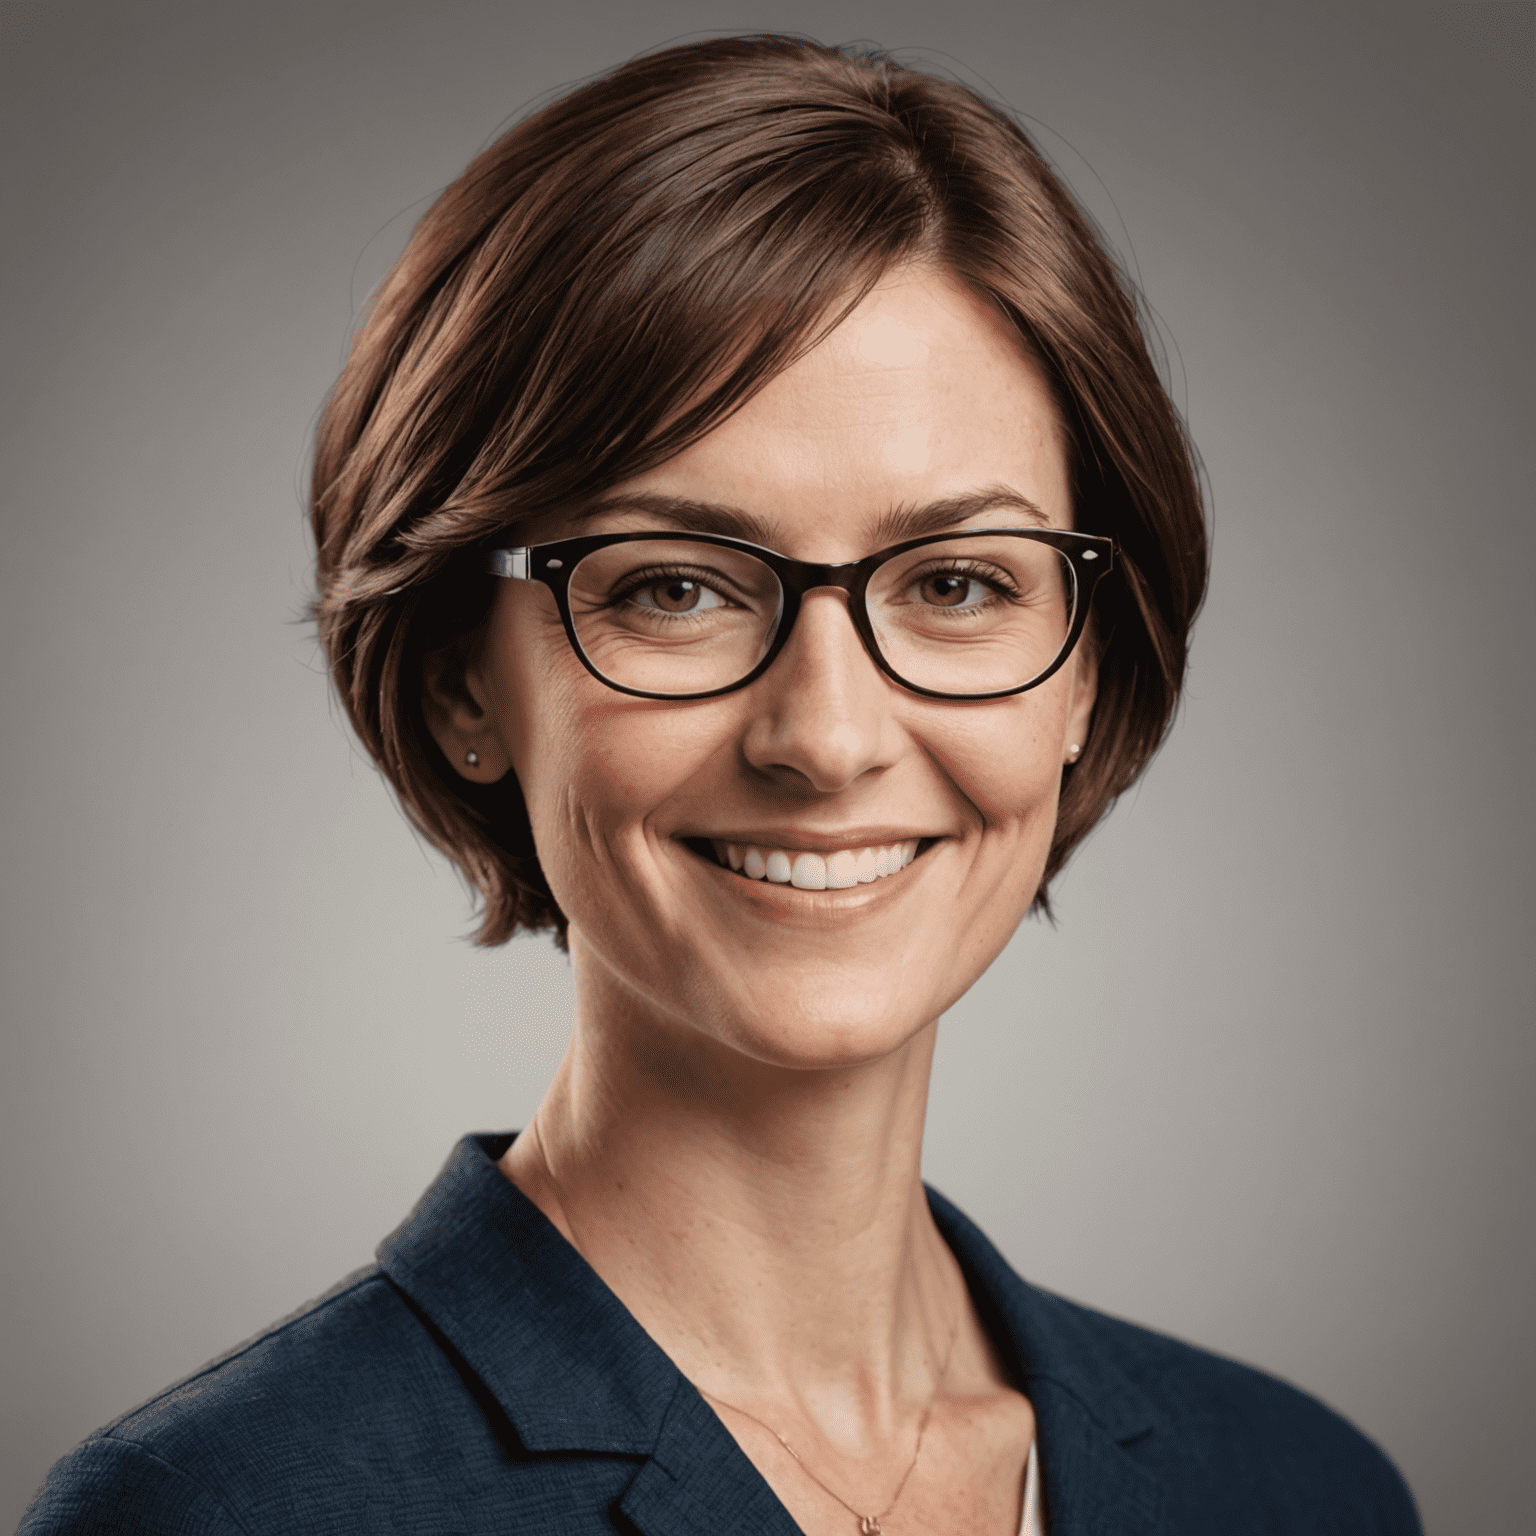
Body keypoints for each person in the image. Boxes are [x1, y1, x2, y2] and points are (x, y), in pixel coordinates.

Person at [20, 34, 1421, 1536]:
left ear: (1085, 671)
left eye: (956, 581)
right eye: (676, 589)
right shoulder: (217, 1514)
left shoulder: (1299, 1489)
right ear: (460, 682)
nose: (825, 738)